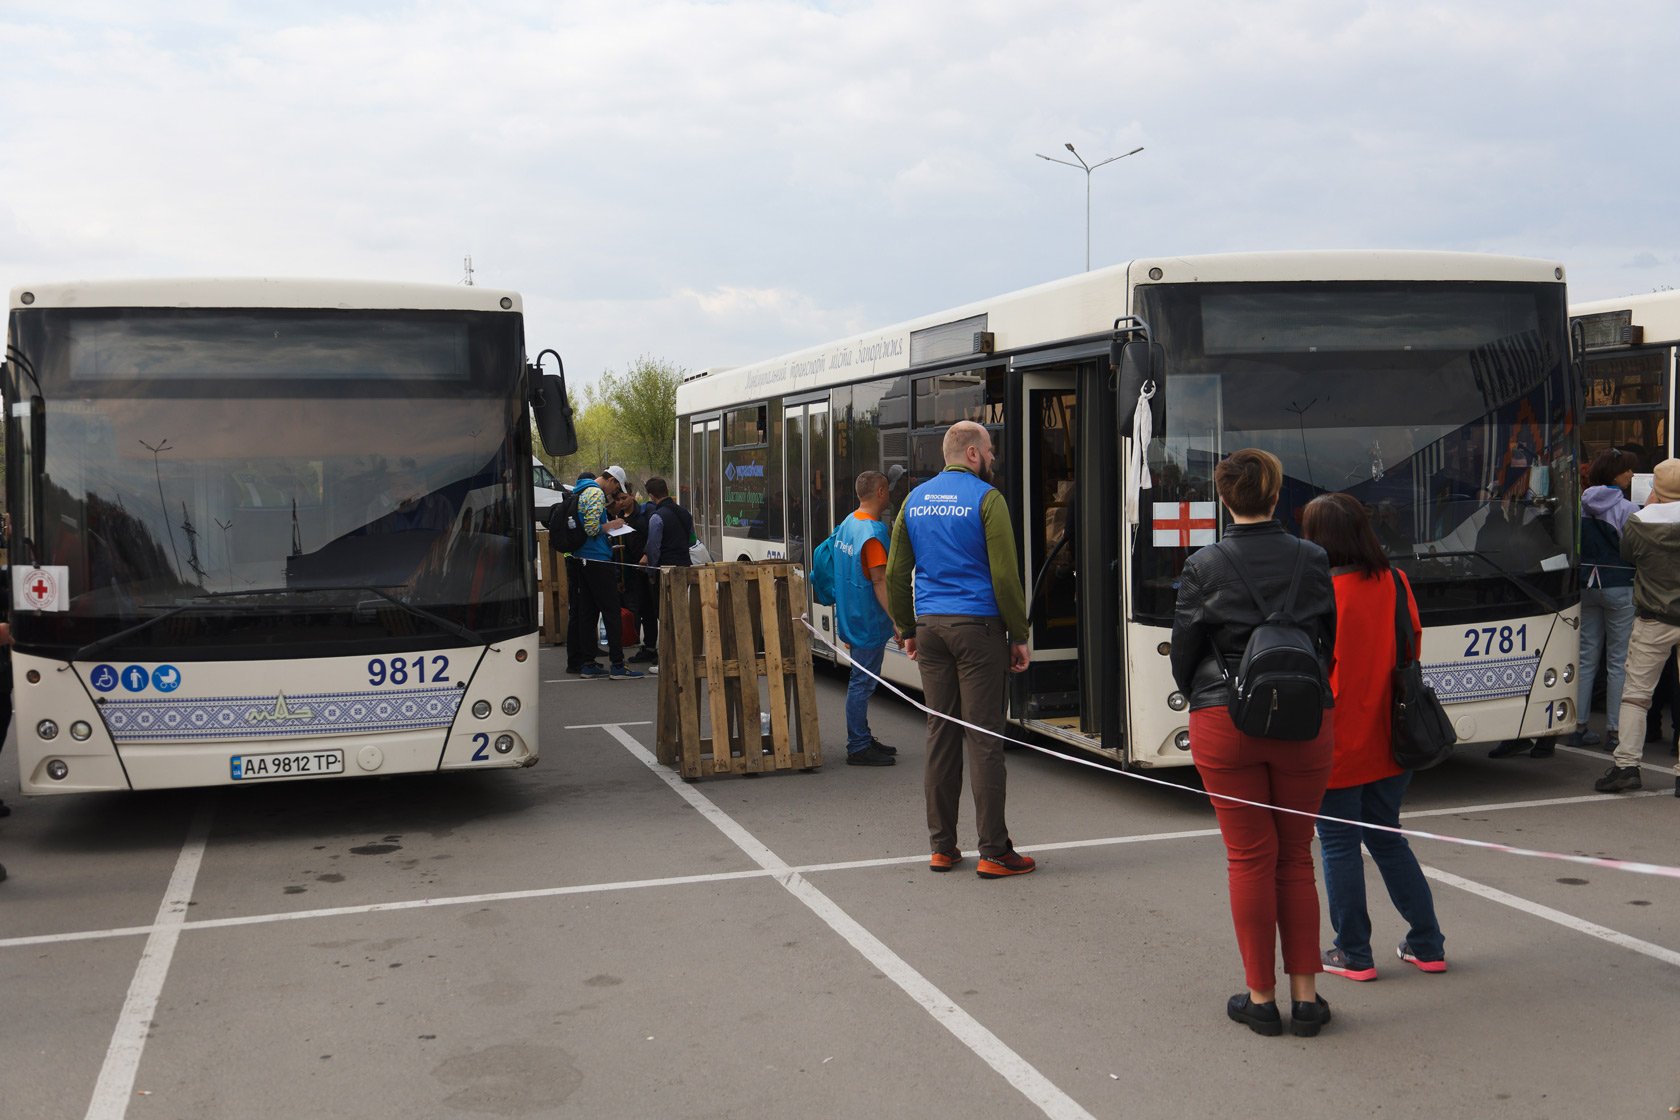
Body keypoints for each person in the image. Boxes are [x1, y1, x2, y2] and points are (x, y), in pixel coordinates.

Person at [1169, 448, 1336, 1037]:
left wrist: (1204, 693)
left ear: (1223, 497)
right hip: (1304, 715)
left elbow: (1184, 650)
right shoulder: (1313, 558)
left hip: (1225, 718)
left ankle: (1261, 999)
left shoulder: (1203, 564)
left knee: (1248, 856)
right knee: (1296, 854)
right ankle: (1307, 998)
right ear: (1276, 493)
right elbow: (1327, 641)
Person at [1300, 493, 1447, 982]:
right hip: (1394, 733)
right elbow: (1412, 644)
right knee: (1387, 838)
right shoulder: (1395, 581)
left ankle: (1353, 951)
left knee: (1338, 844)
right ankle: (1427, 943)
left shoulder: (1319, 591)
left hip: (1338, 738)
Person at [885, 421, 1035, 879]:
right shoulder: (988, 499)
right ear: (972, 453)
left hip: (930, 628)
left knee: (941, 734)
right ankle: (994, 851)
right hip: (978, 628)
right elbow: (1005, 576)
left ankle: (942, 848)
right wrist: (1019, 633)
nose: (992, 458)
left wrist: (906, 627)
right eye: (989, 451)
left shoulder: (913, 500)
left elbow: (895, 573)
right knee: (984, 738)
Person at [1595, 458, 1680, 795]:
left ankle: (1627, 765)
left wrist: (1652, 506)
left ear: (1655, 488)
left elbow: (1628, 554)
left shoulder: (1639, 522)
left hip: (1654, 617)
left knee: (1636, 695)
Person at [1564, 449, 1638, 751]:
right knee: (1618, 661)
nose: (1631, 474)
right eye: (1627, 470)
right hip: (1620, 584)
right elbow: (1633, 549)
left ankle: (1578, 726)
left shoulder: (1580, 504)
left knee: (1585, 656)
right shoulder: (1628, 509)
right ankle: (1615, 731)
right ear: (1615, 474)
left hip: (1587, 584)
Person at [833, 471, 899, 767]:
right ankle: (858, 745)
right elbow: (879, 581)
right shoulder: (872, 533)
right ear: (881, 492)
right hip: (868, 620)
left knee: (860, 682)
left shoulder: (849, 523)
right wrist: (897, 620)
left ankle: (862, 736)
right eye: (888, 490)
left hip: (851, 615)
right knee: (862, 684)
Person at [564, 469, 642, 680]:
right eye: (616, 486)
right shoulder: (595, 493)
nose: (614, 492)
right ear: (611, 480)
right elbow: (591, 528)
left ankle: (588, 663)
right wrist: (612, 525)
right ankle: (617, 664)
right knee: (611, 611)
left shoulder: (580, 491)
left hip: (582, 558)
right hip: (598, 559)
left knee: (588, 612)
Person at [636, 477, 694, 666]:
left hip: (666, 570)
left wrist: (651, 572)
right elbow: (692, 540)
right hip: (684, 567)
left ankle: (669, 657)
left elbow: (653, 548)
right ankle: (683, 654)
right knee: (680, 611)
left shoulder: (657, 517)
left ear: (651, 496)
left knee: (665, 615)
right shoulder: (685, 513)